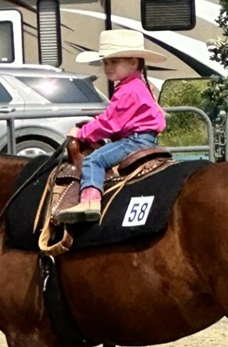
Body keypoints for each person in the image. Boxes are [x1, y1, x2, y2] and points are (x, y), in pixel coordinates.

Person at [57, 29, 168, 224]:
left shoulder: (127, 90)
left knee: (94, 160)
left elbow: (110, 124)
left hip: (134, 141)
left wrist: (82, 133)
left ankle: (90, 202)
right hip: (146, 138)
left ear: (133, 62)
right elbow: (114, 117)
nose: (108, 67)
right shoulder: (137, 85)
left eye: (114, 62)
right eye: (105, 62)